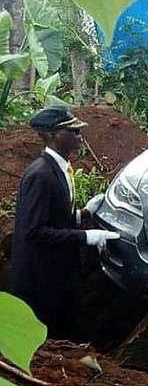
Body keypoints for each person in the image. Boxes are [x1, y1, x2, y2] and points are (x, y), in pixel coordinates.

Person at [11, 106, 120, 337]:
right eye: (72, 131)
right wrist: (86, 236)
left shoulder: (59, 168)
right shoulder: (40, 176)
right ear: (51, 135)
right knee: (50, 335)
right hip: (41, 279)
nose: (79, 135)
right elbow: (34, 231)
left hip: (58, 273)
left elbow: (54, 216)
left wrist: (84, 214)